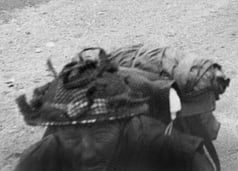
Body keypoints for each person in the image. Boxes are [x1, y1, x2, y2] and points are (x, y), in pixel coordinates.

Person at [15, 48, 214, 171]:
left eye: (100, 134)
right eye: (72, 137)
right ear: (56, 131)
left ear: (123, 123)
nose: (88, 150)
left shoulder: (166, 147)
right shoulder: (39, 161)